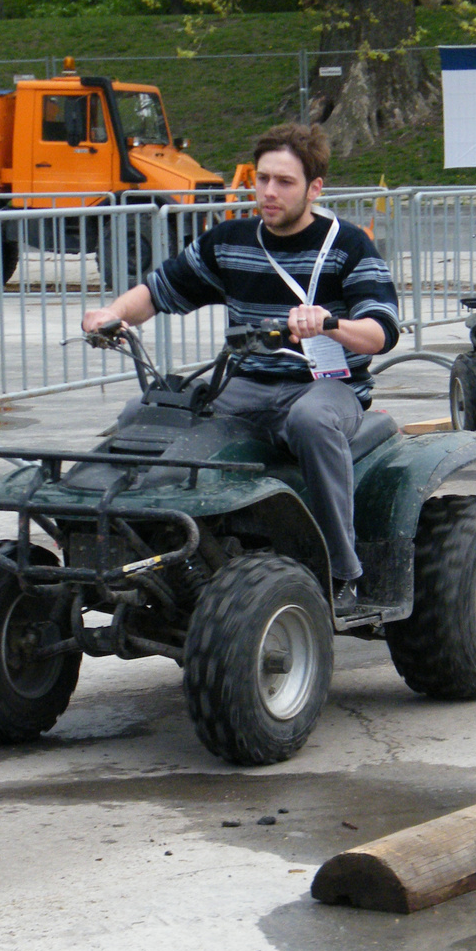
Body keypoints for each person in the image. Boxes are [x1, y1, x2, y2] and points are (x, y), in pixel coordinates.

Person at [80, 123, 400, 612]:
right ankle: (142, 548)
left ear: (315, 188)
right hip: (245, 383)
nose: (269, 192)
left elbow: (382, 331)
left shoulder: (349, 245)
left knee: (311, 422)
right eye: (263, 178)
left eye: (285, 182)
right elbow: (158, 291)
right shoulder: (229, 240)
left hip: (326, 387)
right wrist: (111, 314)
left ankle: (343, 571)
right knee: (148, 411)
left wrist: (331, 323)